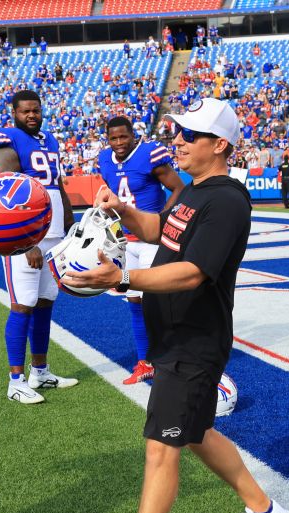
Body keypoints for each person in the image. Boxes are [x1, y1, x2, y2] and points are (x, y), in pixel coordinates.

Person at [62, 98, 289, 513]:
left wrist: (122, 278)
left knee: (161, 445)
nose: (179, 141)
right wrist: (123, 211)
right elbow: (157, 233)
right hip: (173, 333)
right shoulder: (191, 192)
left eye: (191, 135)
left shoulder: (228, 201)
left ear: (221, 146)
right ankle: (264, 511)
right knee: (195, 433)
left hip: (196, 338)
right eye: (178, 132)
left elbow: (193, 271)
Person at [0, 89, 78, 404]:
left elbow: (57, 184)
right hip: (25, 236)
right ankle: (15, 381)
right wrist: (24, 242)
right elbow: (3, 188)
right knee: (22, 304)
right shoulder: (6, 138)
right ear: (14, 111)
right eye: (26, 111)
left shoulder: (49, 139)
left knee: (45, 302)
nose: (32, 116)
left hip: (53, 234)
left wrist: (69, 224)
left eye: (36, 111)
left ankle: (40, 371)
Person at [98, 115, 185, 386]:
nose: (119, 142)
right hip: (126, 240)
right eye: (114, 138)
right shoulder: (104, 159)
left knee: (157, 301)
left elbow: (179, 188)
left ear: (133, 135)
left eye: (124, 136)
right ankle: (145, 363)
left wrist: (160, 220)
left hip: (151, 240)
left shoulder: (149, 153)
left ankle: (172, 359)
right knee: (135, 301)